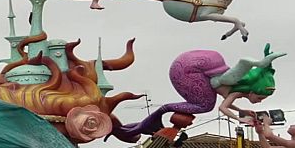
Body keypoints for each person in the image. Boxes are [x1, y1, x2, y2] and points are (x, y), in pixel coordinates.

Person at [113, 45, 285, 142]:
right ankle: (163, 110)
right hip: (188, 70)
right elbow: (223, 108)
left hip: (185, 66)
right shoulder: (238, 88)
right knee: (205, 105)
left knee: (204, 103)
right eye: (260, 97)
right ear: (254, 90)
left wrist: (242, 110)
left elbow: (227, 101)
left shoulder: (237, 90)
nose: (260, 101)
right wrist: (239, 118)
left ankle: (150, 120)